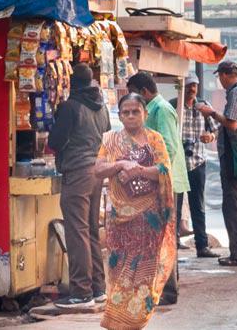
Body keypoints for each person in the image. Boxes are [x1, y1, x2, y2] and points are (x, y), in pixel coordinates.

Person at [95, 94, 176, 329]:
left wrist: (139, 170)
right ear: (119, 115)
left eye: (135, 111)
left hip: (148, 218)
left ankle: (136, 320)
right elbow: (98, 170)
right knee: (118, 268)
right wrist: (120, 165)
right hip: (119, 220)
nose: (130, 116)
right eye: (126, 112)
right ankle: (116, 319)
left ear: (145, 114)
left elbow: (164, 169)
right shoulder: (110, 139)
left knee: (143, 270)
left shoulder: (155, 139)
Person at [48, 63, 110, 308]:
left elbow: (55, 141)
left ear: (72, 82)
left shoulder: (70, 107)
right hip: (97, 171)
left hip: (77, 172)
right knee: (92, 231)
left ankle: (81, 293)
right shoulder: (102, 107)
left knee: (77, 232)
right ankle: (98, 289)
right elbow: (106, 134)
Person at [127, 72, 188, 304]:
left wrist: (152, 173)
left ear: (144, 92)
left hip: (165, 181)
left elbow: (168, 148)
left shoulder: (161, 109)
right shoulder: (154, 108)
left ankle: (168, 291)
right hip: (161, 180)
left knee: (163, 237)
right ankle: (165, 288)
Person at [198, 60, 237, 267]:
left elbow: (232, 124)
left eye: (219, 77)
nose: (220, 82)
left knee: (234, 205)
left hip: (234, 155)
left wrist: (211, 113)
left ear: (224, 75)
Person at [169, 74, 220, 258]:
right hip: (176, 162)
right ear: (182, 87)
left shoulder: (204, 106)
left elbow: (216, 129)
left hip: (197, 161)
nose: (192, 89)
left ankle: (202, 246)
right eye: (189, 85)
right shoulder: (173, 105)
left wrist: (211, 137)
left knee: (198, 205)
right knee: (174, 204)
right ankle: (172, 244)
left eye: (195, 86)